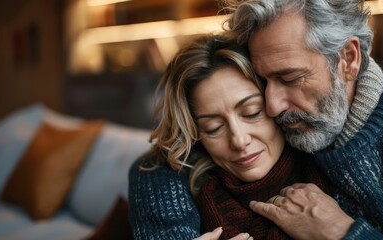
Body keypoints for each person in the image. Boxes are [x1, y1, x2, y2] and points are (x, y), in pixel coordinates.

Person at [223, 0, 383, 239]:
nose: (272, 106)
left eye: (290, 78)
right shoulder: (283, 128)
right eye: (264, 81)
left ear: (348, 59)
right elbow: (188, 163)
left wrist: (341, 232)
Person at [128, 33, 334, 239]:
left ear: (276, 103)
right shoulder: (164, 176)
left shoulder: (330, 160)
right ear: (195, 134)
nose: (239, 140)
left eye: (252, 113)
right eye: (213, 128)